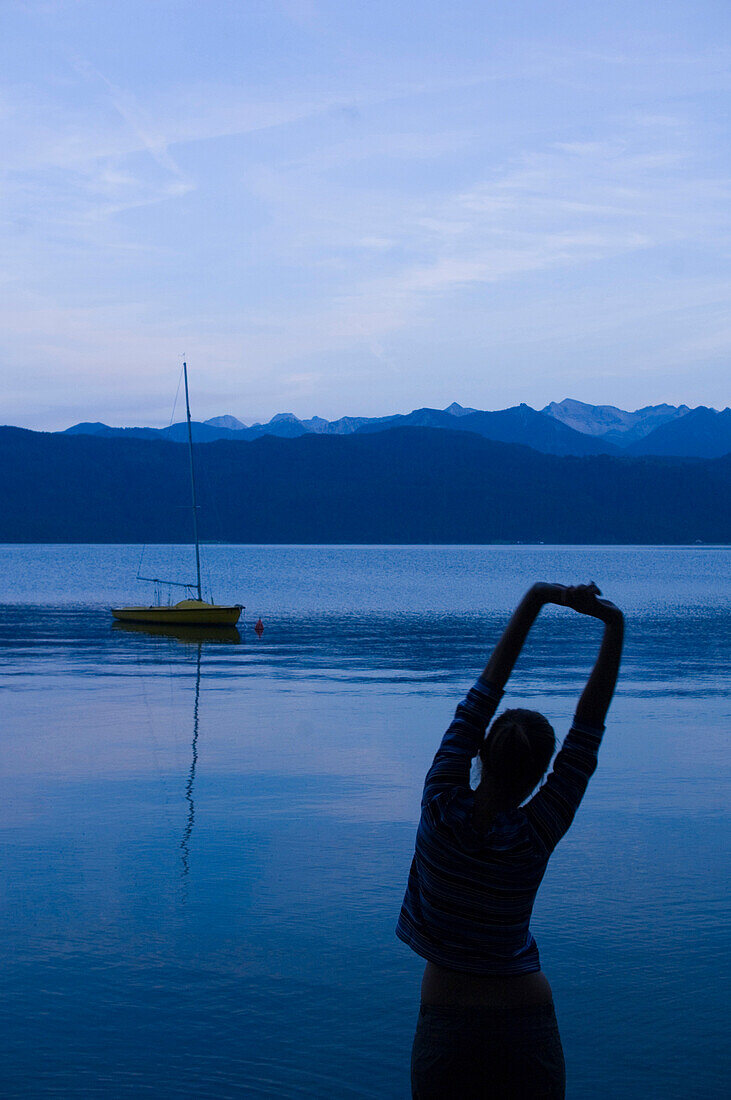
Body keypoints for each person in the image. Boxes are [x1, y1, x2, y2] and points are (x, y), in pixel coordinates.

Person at [396, 581, 624, 1099]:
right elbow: (586, 731)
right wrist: (613, 626)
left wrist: (540, 596)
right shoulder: (537, 831)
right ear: (542, 775)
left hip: (447, 1021)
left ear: (479, 753)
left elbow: (480, 698)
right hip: (526, 1023)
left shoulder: (439, 807)